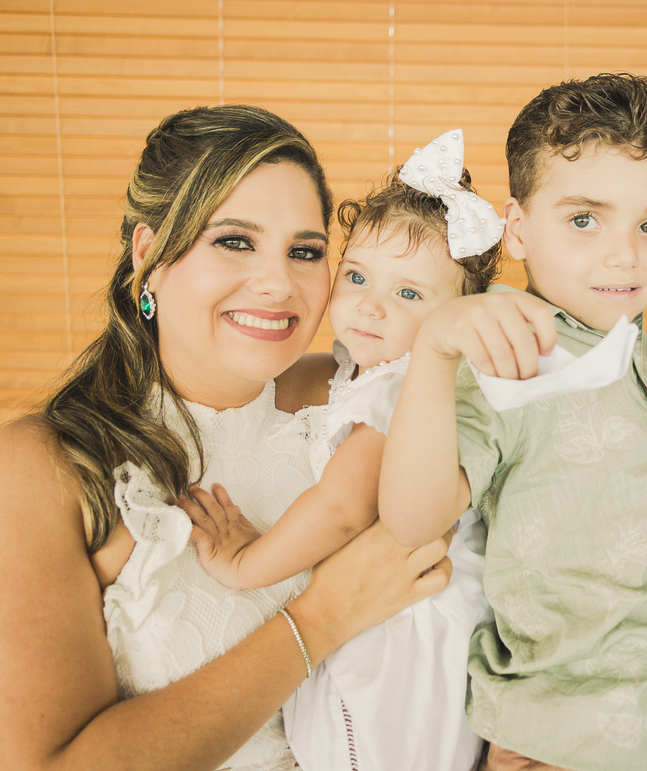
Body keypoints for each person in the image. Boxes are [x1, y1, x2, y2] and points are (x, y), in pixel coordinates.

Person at [0, 104, 452, 771]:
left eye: (305, 251)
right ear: (149, 257)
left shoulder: (366, 398)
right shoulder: (39, 468)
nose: (279, 283)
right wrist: (322, 617)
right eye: (235, 241)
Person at [379, 73, 647, 771]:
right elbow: (413, 521)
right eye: (584, 220)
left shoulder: (633, 345)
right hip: (553, 733)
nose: (625, 254)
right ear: (519, 229)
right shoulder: (509, 350)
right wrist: (435, 349)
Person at [180, 128, 502, 771]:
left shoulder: (403, 390)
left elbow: (343, 507)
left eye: (408, 294)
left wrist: (247, 562)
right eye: (356, 276)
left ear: (460, 319)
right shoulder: (362, 373)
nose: (369, 307)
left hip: (405, 624)